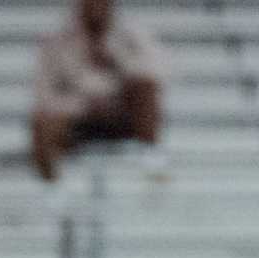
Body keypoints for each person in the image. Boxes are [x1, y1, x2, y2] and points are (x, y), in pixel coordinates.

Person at [31, 0, 166, 183]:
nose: (95, 7)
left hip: (122, 115)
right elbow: (44, 94)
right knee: (41, 123)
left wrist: (116, 63)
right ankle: (54, 191)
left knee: (145, 90)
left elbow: (155, 74)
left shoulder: (132, 35)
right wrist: (84, 106)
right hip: (77, 118)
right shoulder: (57, 41)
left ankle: (152, 159)